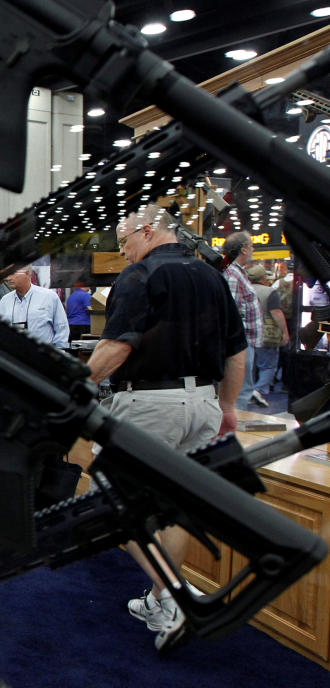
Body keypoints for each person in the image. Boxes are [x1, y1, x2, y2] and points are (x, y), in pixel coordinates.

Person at [87, 204, 245, 651]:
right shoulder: (213, 277)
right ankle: (162, 598)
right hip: (203, 404)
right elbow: (237, 350)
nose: (123, 251)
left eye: (124, 241)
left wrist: (76, 386)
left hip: (151, 404)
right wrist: (228, 406)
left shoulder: (139, 278)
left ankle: (175, 597)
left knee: (113, 501)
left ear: (149, 230)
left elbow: (116, 346)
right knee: (175, 506)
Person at [220, 232, 266, 408]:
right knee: (240, 390)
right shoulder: (232, 274)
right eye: (251, 246)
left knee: (242, 388)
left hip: (243, 342)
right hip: (241, 343)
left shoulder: (237, 273)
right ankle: (234, 428)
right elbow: (231, 313)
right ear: (244, 249)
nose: (253, 249)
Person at [0, 265, 70, 347]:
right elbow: (0, 330)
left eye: (12, 273)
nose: (8, 278)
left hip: (42, 356)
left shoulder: (49, 297)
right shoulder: (4, 301)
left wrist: (57, 353)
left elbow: (61, 328)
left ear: (27, 273)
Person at [248, 264, 288, 398]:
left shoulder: (244, 289)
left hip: (246, 332)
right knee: (268, 365)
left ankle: (249, 390)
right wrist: (285, 333)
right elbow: (276, 313)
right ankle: (259, 390)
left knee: (251, 365)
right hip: (266, 333)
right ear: (263, 277)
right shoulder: (270, 292)